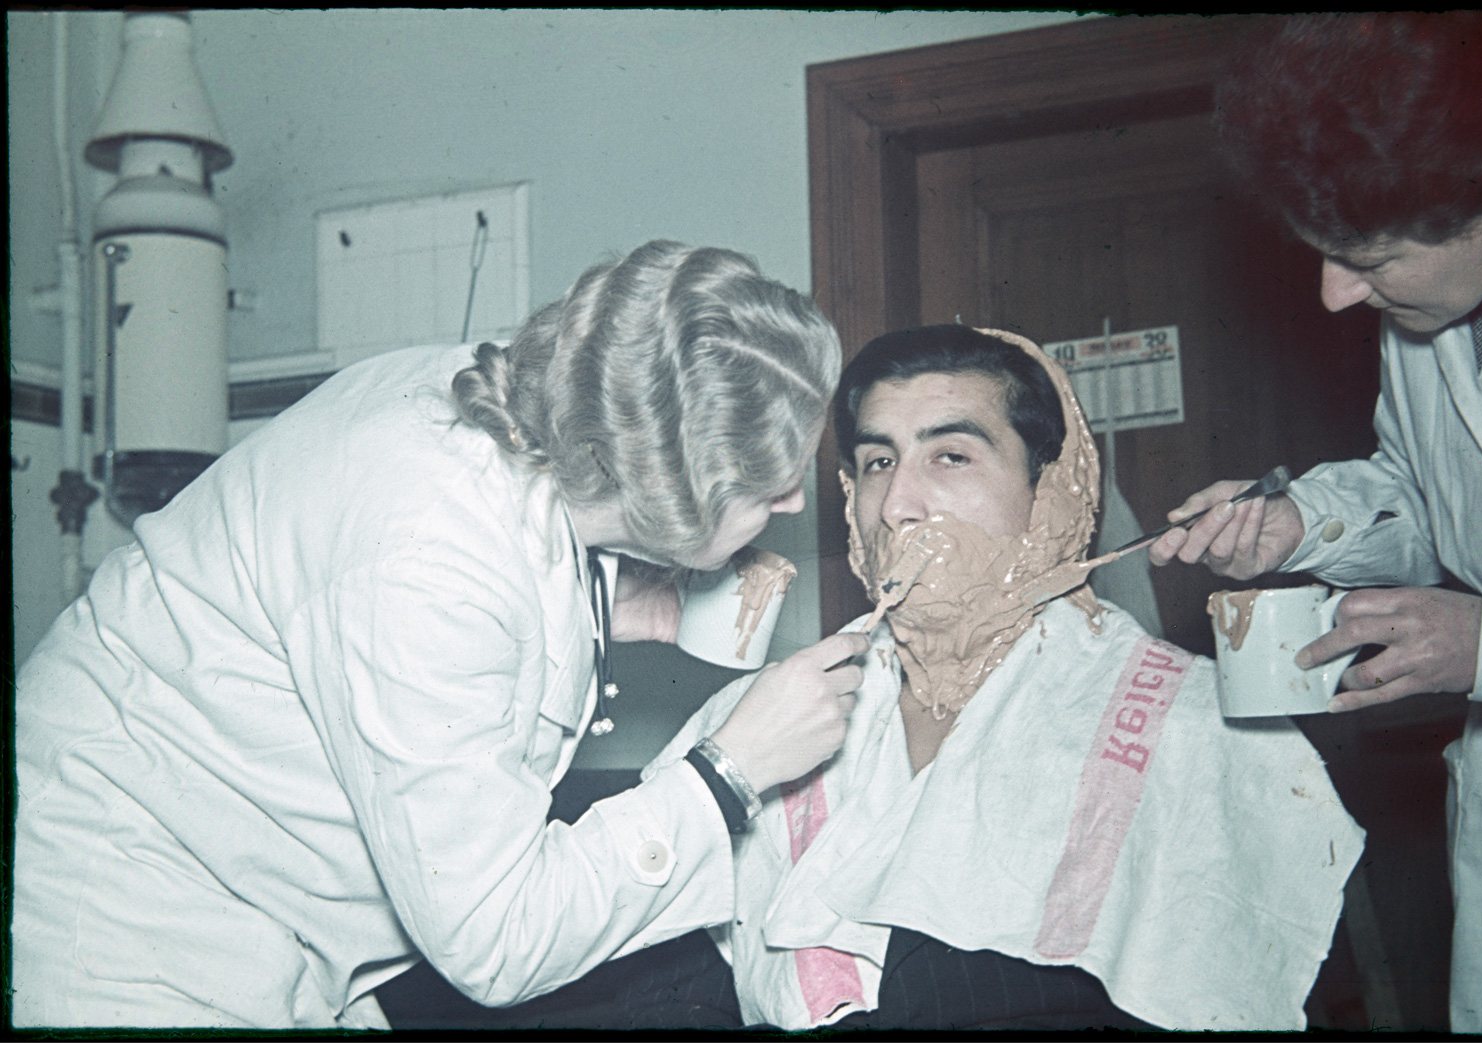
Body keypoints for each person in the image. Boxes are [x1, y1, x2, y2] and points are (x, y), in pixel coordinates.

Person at [10, 240, 868, 1028]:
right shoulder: (427, 551)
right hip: (131, 907)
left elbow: (473, 582)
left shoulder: (511, 400)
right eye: (768, 489)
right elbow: (497, 940)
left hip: (252, 887)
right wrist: (730, 771)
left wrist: (613, 601)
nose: (793, 505)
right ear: (673, 497)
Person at [643, 325, 1365, 1031]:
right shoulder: (762, 717)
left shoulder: (1181, 721)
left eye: (950, 456)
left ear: (1049, 493)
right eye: (877, 463)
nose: (899, 506)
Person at [1147, 13, 1482, 1034]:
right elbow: (1427, 497)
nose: (1334, 294)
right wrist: (1302, 522)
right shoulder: (1431, 307)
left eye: (1368, 258)